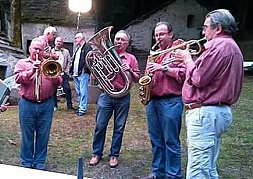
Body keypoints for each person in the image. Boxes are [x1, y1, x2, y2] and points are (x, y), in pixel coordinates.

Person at [173, 9, 243, 178]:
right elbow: (210, 74)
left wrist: (187, 59)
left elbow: (198, 78)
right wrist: (191, 57)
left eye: (205, 27)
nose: (203, 32)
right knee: (209, 167)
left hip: (205, 113)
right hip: (216, 112)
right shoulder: (231, 46)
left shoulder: (218, 46)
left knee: (197, 171)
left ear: (218, 28)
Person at [89, 30, 140, 168]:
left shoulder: (131, 58)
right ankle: (97, 153)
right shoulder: (104, 56)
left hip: (123, 96)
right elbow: (95, 77)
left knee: (119, 127)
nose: (119, 42)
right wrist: (95, 66)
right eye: (117, 39)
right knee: (100, 126)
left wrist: (129, 70)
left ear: (127, 43)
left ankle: (114, 155)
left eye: (122, 40)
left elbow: (137, 79)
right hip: (106, 95)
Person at [143, 22, 186, 179]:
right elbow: (148, 76)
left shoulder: (178, 51)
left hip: (171, 101)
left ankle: (173, 175)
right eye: (156, 34)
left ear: (170, 34)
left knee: (171, 141)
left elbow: (185, 74)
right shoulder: (154, 53)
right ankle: (158, 172)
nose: (158, 37)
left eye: (162, 34)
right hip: (152, 101)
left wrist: (163, 68)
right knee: (156, 141)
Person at [14, 36, 62, 170]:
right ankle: (27, 162)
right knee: (27, 134)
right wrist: (31, 71)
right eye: (35, 49)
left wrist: (52, 78)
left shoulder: (50, 63)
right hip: (27, 104)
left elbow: (59, 82)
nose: (37, 52)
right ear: (30, 49)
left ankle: (40, 162)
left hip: (46, 104)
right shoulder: (22, 63)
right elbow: (17, 79)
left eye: (40, 50)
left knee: (43, 134)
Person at [70, 32, 92, 116]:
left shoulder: (87, 47)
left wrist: (85, 69)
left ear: (81, 38)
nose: (75, 40)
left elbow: (89, 59)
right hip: (76, 73)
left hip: (83, 73)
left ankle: (83, 109)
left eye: (76, 38)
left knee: (83, 92)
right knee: (78, 92)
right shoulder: (78, 48)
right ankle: (80, 107)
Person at [51, 36, 75, 111]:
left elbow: (69, 61)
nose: (58, 43)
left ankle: (69, 105)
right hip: (54, 73)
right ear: (55, 42)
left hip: (63, 73)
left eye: (60, 41)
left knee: (67, 89)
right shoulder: (51, 51)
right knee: (53, 90)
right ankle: (54, 105)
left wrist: (66, 71)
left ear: (62, 43)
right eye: (57, 41)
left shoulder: (66, 51)